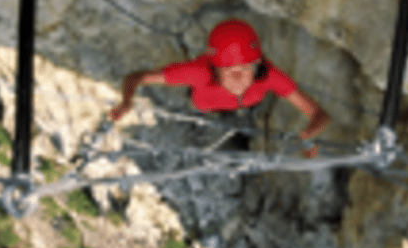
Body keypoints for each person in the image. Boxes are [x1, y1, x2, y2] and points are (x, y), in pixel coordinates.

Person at [109, 18, 330, 158]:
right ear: (215, 69)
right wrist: (127, 100)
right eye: (228, 70)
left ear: (257, 65)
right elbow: (136, 77)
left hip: (246, 105)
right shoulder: (198, 71)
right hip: (204, 106)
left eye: (245, 68)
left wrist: (309, 134)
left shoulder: (268, 74)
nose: (238, 78)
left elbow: (318, 113)